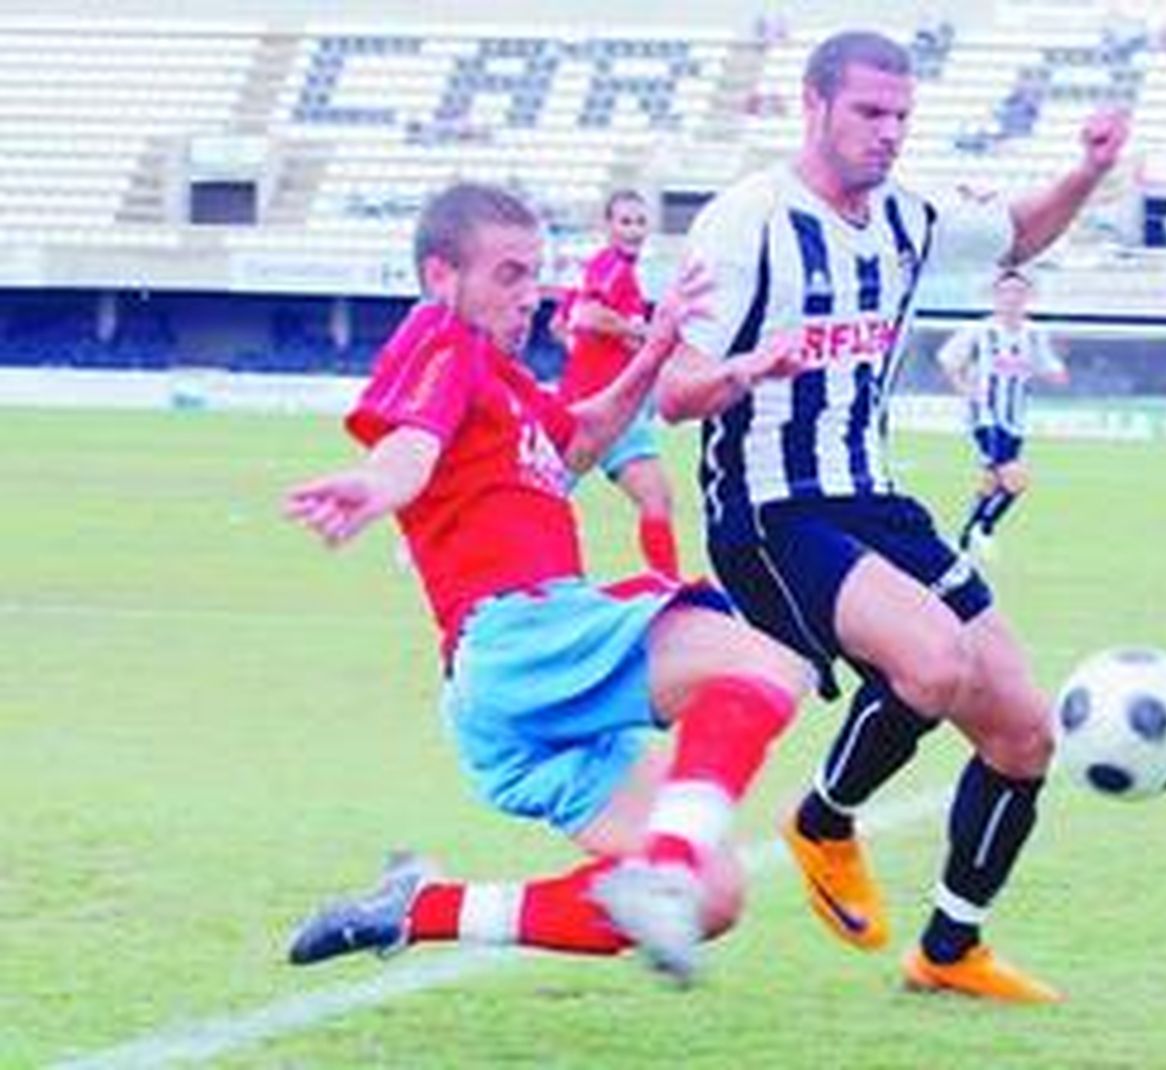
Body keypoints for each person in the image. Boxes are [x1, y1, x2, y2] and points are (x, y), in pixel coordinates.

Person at [657, 30, 1127, 1003]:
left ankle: (949, 947)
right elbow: (675, 385)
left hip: (874, 496)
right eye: (870, 112)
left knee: (1022, 732)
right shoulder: (746, 222)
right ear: (813, 105)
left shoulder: (908, 217)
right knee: (932, 660)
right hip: (769, 512)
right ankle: (823, 820)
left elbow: (1018, 233)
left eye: (902, 116)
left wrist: (1086, 170)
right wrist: (746, 368)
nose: (888, 133)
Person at [280, 181, 811, 983]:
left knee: (716, 896)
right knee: (765, 664)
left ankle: (415, 907)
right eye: (508, 275)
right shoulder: (444, 344)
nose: (531, 296)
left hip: (511, 694)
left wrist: (662, 341)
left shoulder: (505, 382)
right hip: (524, 641)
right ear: (440, 277)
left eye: (536, 275)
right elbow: (410, 446)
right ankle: (661, 869)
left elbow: (584, 438)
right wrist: (378, 484)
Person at [557, 189, 682, 578]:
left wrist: (608, 349)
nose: (633, 230)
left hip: (610, 412)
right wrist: (640, 332)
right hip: (597, 412)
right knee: (537, 499)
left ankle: (668, 587)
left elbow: (562, 323)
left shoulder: (608, 271)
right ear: (608, 227)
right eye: (625, 222)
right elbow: (588, 316)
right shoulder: (611, 267)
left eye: (640, 222)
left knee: (655, 498)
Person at [936, 268, 1068, 560]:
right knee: (1016, 479)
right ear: (995, 297)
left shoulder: (1034, 334)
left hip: (1015, 418)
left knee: (991, 482)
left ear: (1028, 297)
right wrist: (963, 387)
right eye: (1005, 292)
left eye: (1018, 292)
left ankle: (962, 542)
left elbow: (1050, 367)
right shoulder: (980, 331)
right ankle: (984, 529)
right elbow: (947, 359)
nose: (1012, 298)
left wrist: (1055, 373)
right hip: (985, 417)